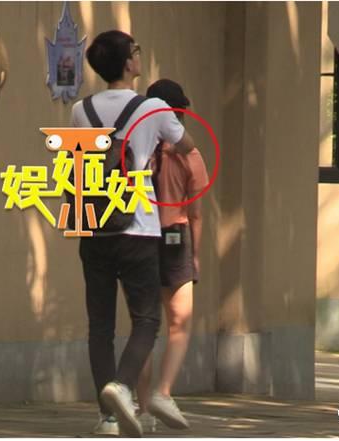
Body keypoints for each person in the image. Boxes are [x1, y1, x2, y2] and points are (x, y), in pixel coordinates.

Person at [70, 31, 195, 437]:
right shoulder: (153, 108)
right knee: (146, 320)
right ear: (128, 62)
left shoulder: (80, 110)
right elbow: (186, 144)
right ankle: (122, 386)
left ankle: (107, 418)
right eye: (137, 51)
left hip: (94, 227)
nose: (139, 56)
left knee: (100, 326)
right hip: (138, 228)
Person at [135, 79, 209, 432]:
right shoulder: (190, 155)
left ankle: (142, 409)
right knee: (179, 323)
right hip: (176, 238)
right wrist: (196, 256)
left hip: (140, 238)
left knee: (144, 326)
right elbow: (196, 213)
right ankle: (163, 392)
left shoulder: (137, 150)